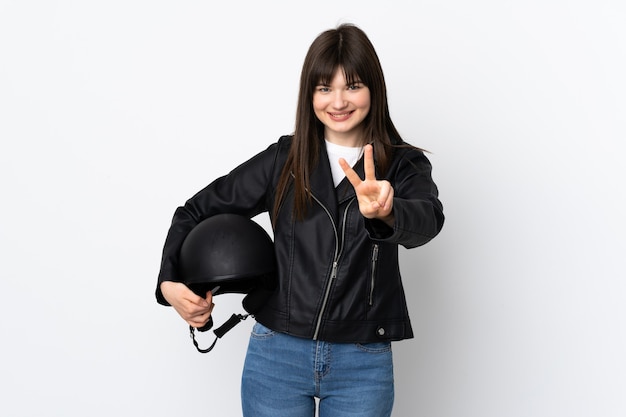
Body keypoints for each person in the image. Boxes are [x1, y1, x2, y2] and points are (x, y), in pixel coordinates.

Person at [155, 23, 444, 417]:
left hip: (362, 360)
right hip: (277, 354)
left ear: (374, 90)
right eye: (325, 88)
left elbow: (428, 221)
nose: (338, 101)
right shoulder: (283, 161)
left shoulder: (404, 164)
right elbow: (194, 211)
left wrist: (388, 213)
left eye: (353, 86)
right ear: (310, 94)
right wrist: (169, 281)